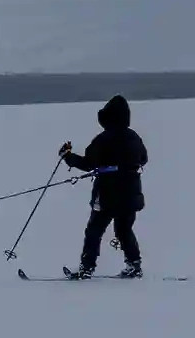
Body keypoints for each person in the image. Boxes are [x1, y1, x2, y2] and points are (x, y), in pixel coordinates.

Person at [60, 94, 149, 278]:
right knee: (124, 230)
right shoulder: (134, 137)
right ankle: (134, 264)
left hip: (108, 195)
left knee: (94, 230)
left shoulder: (103, 139)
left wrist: (68, 156)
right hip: (130, 194)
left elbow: (88, 163)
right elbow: (143, 158)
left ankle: (86, 268)